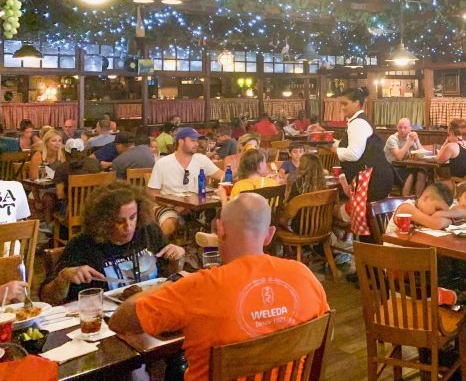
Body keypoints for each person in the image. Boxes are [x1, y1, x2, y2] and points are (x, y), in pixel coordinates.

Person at [109, 193, 329, 381]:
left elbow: (120, 321)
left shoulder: (197, 287)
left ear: (220, 229)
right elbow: (327, 335)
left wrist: (168, 284)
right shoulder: (304, 275)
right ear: (269, 235)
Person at [41, 182, 185, 305]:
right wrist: (63, 278)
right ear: (103, 221)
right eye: (119, 221)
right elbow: (47, 298)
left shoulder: (148, 231)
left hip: (152, 308)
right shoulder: (83, 244)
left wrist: (178, 258)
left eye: (132, 217)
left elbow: (169, 277)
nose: (128, 226)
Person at [147, 128, 224, 239]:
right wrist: (172, 205)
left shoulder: (201, 159)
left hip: (197, 207)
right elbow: (152, 193)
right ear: (181, 141)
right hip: (169, 206)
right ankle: (160, 251)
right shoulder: (163, 163)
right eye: (192, 140)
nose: (196, 144)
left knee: (220, 218)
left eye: (196, 141)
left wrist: (243, 169)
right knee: (169, 224)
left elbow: (223, 176)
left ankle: (207, 250)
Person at [335, 87, 397, 202]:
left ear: (357, 103)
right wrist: (335, 143)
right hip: (377, 175)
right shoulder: (359, 120)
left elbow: (354, 154)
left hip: (373, 178)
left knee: (365, 217)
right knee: (368, 216)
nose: (342, 107)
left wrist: (335, 150)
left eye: (345, 104)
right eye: (341, 104)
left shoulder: (358, 123)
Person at [384, 182, 465, 234]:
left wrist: (443, 214)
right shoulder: (406, 208)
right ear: (425, 198)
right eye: (437, 209)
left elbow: (462, 213)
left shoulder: (426, 209)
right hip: (395, 254)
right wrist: (450, 219)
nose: (436, 213)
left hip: (414, 249)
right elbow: (436, 224)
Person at [384, 118, 423, 197]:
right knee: (409, 174)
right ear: (397, 128)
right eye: (400, 127)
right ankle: (405, 200)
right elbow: (399, 157)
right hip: (390, 168)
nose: (402, 130)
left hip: (404, 166)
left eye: (405, 128)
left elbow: (422, 154)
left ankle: (417, 200)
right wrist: (409, 142)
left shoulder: (410, 138)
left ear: (410, 129)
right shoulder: (392, 139)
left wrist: (417, 141)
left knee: (422, 172)